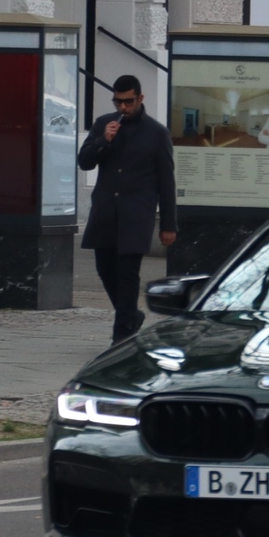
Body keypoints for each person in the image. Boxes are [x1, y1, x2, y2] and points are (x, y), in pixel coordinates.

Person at [78, 74, 178, 344]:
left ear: (140, 99)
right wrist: (103, 141)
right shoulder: (103, 124)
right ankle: (131, 315)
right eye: (118, 101)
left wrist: (169, 224)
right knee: (105, 269)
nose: (123, 107)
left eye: (128, 102)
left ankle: (121, 338)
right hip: (106, 213)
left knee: (127, 274)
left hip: (137, 216)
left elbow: (167, 182)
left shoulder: (157, 133)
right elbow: (84, 162)